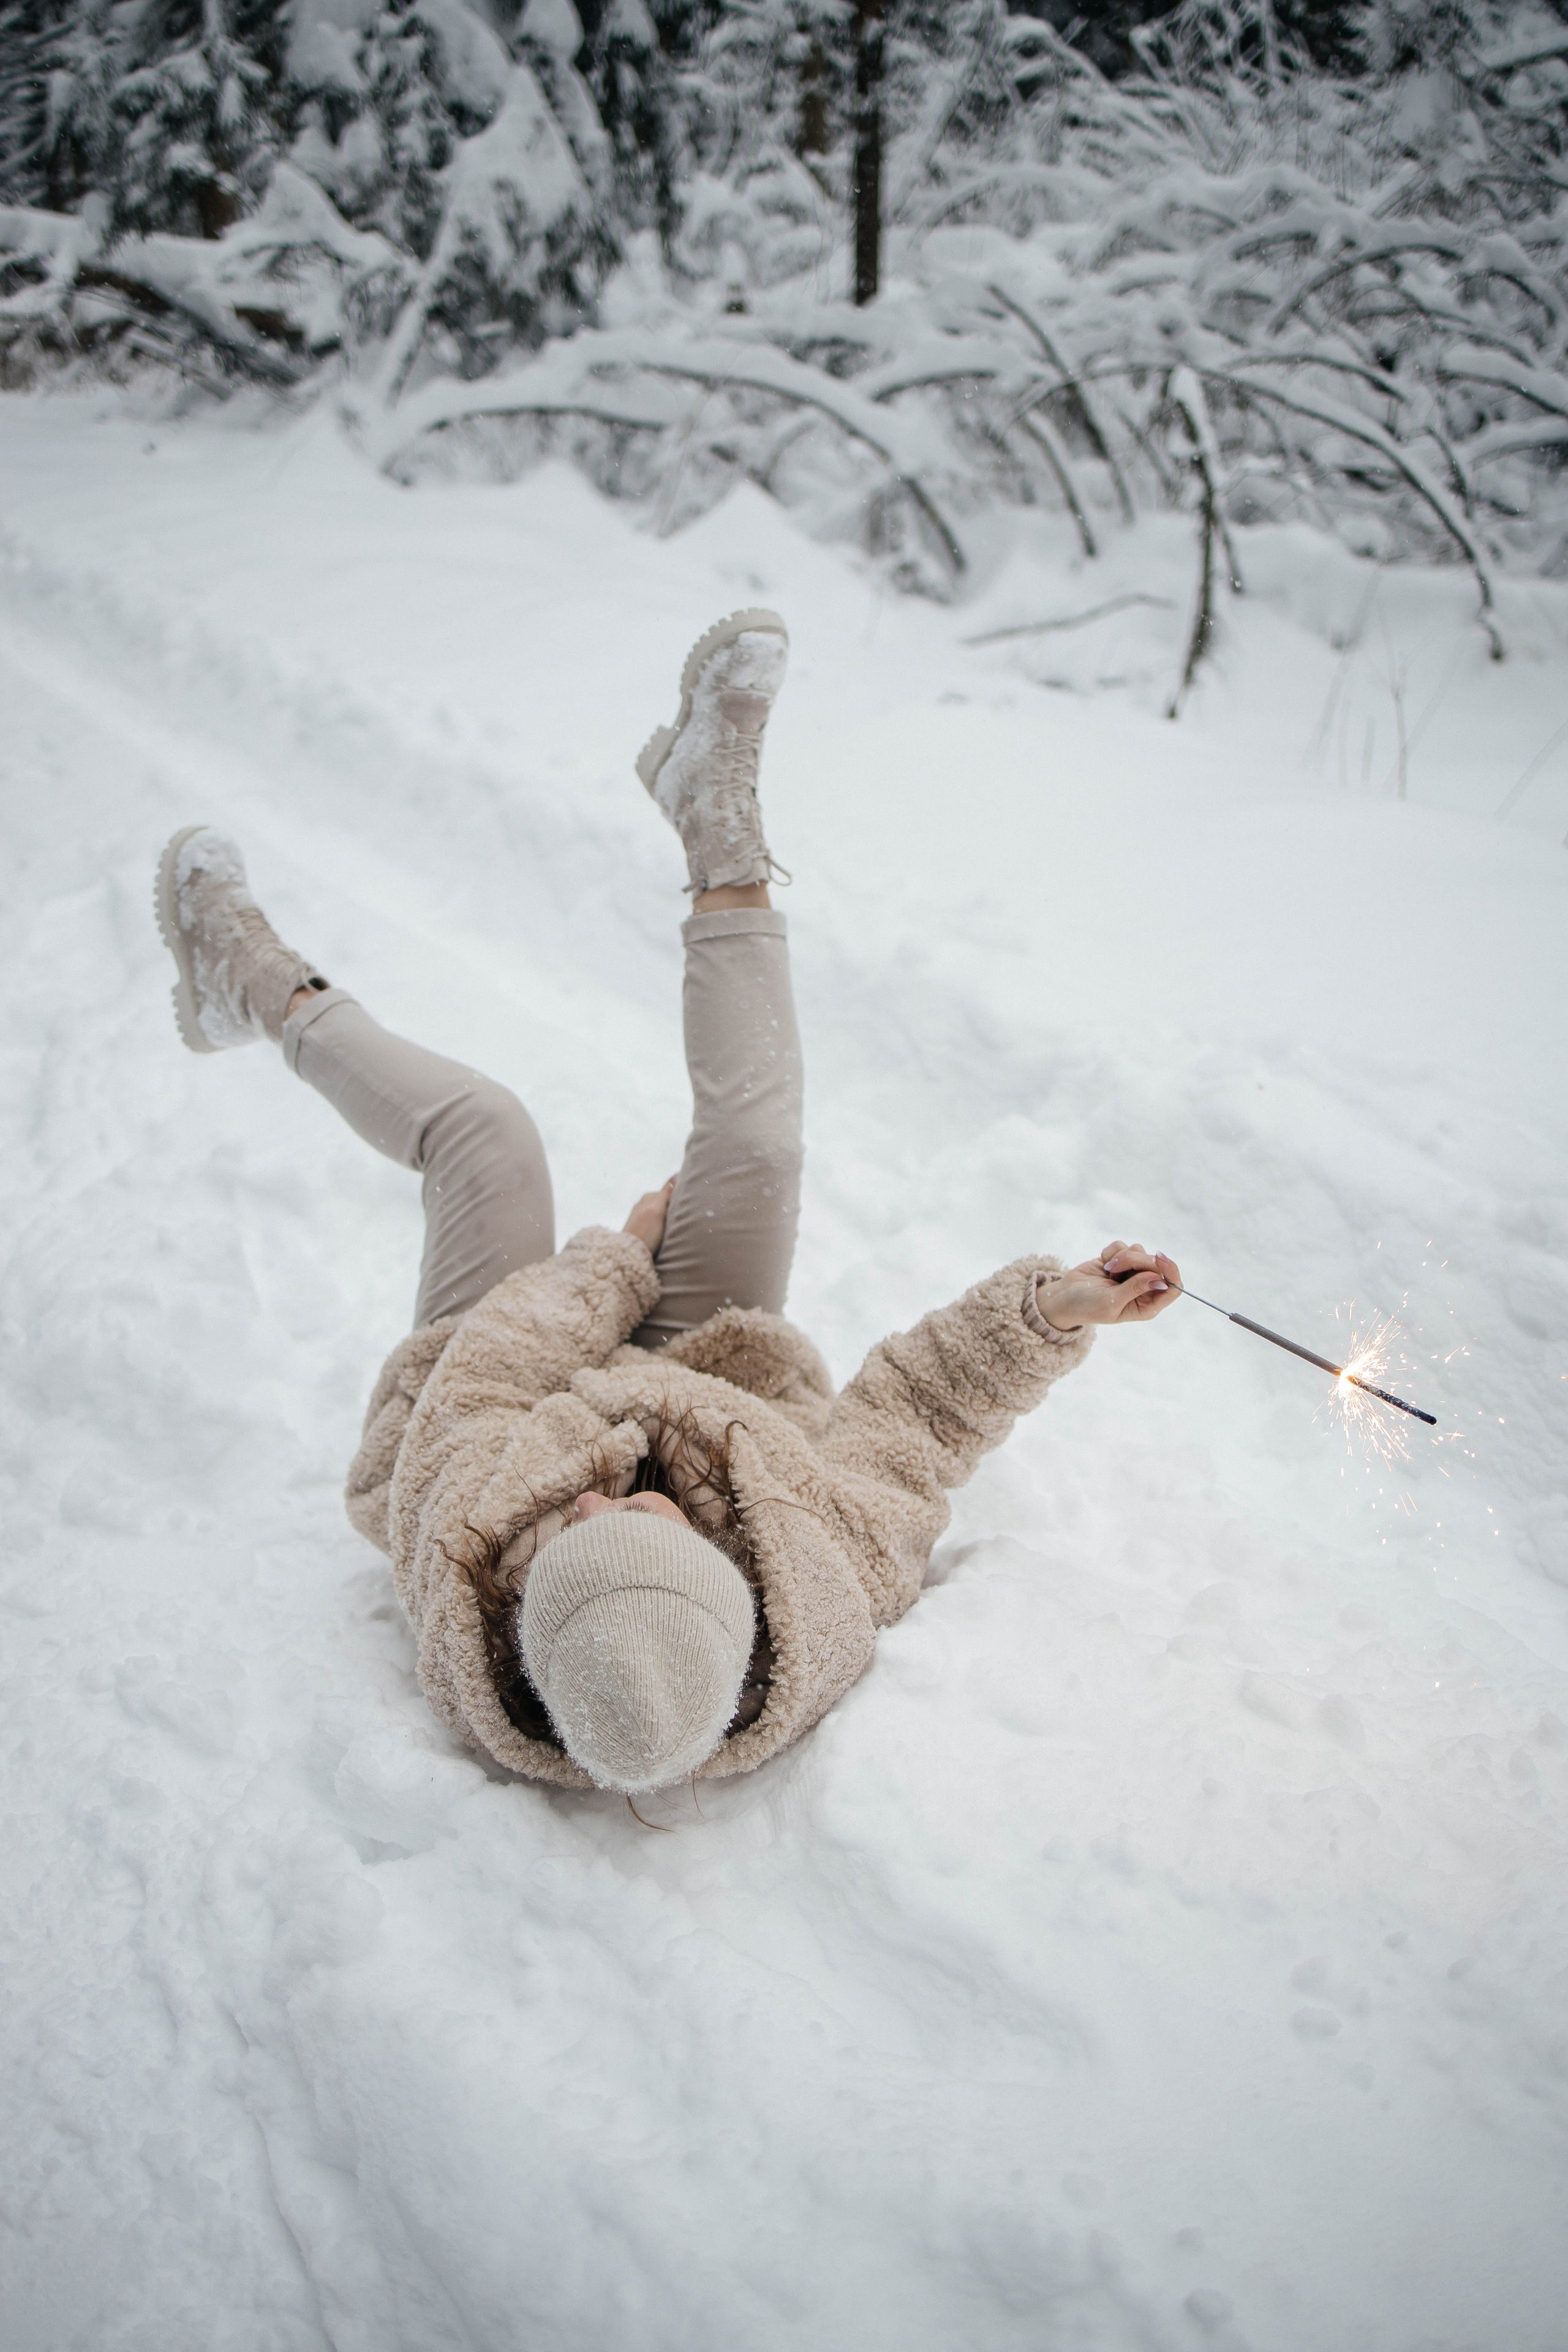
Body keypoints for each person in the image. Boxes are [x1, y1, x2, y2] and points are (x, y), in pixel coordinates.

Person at [156, 609, 1181, 1800]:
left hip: (498, 1379)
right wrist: (1047, 1316)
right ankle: (713, 817)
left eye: (574, 1528)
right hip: (701, 1378)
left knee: (484, 1133)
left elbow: (490, 1376)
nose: (600, 1492)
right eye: (643, 1524)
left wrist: (613, 1264)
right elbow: (917, 1424)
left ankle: (253, 988)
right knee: (756, 1148)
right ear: (734, 1575)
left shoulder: (473, 1536)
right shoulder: (825, 1570)